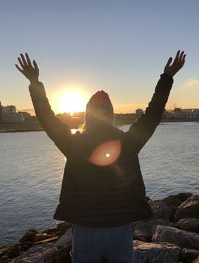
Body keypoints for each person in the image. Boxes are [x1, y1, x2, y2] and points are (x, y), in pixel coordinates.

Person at [15, 50, 186, 263]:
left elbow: (47, 118)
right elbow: (153, 114)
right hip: (120, 227)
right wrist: (167, 78)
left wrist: (34, 82)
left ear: (88, 114)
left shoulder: (74, 145)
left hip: (85, 228)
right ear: (111, 114)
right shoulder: (128, 143)